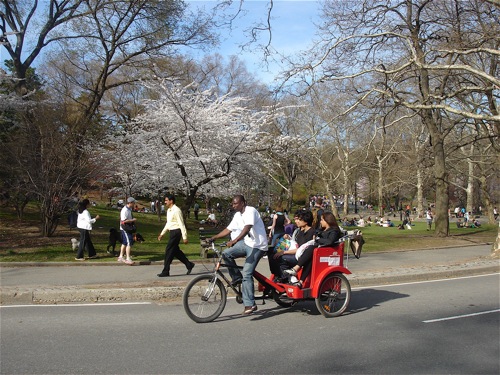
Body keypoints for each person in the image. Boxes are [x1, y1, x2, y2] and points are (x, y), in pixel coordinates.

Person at [209, 195, 268, 315]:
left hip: (258, 246)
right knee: (226, 254)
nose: (233, 205)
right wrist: (213, 238)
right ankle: (237, 278)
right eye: (233, 204)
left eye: (236, 203)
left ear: (243, 203)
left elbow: (247, 228)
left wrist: (235, 241)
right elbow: (228, 229)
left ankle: (250, 304)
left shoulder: (250, 211)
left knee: (247, 273)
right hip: (247, 243)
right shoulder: (237, 215)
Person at [284, 212, 342, 288]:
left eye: (322, 220)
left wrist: (317, 240)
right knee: (310, 258)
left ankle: (296, 268)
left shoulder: (334, 231)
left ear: (327, 220)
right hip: (318, 252)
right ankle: (300, 281)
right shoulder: (323, 230)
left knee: (311, 248)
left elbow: (330, 241)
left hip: (327, 252)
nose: (320, 222)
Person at [269, 210, 315, 282]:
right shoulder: (300, 232)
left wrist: (283, 252)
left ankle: (289, 277)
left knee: (281, 258)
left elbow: (301, 249)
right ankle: (279, 275)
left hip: (301, 257)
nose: (296, 222)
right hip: (295, 252)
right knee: (271, 252)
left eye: (299, 220)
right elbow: (295, 244)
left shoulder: (311, 233)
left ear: (306, 221)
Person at [157, 194, 194, 277]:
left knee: (168, 251)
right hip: (172, 232)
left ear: (171, 201)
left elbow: (181, 224)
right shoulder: (169, 211)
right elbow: (168, 223)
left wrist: (185, 237)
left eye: (166, 200)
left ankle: (166, 271)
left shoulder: (176, 210)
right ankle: (189, 264)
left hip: (176, 232)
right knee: (175, 251)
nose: (165, 202)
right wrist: (162, 234)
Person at [118, 197, 137, 265]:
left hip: (127, 228)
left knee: (125, 242)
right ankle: (128, 258)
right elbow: (124, 221)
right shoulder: (125, 210)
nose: (134, 204)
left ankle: (120, 256)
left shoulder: (129, 209)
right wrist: (132, 220)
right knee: (129, 242)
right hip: (125, 228)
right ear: (130, 203)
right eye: (133, 203)